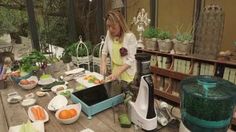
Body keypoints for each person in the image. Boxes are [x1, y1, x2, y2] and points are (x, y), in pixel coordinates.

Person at [100, 10, 137, 83]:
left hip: (127, 72)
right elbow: (104, 51)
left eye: (113, 27)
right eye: (108, 26)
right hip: (115, 71)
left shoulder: (130, 37)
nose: (110, 29)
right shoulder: (109, 34)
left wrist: (119, 70)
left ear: (120, 24)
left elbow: (131, 59)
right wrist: (103, 63)